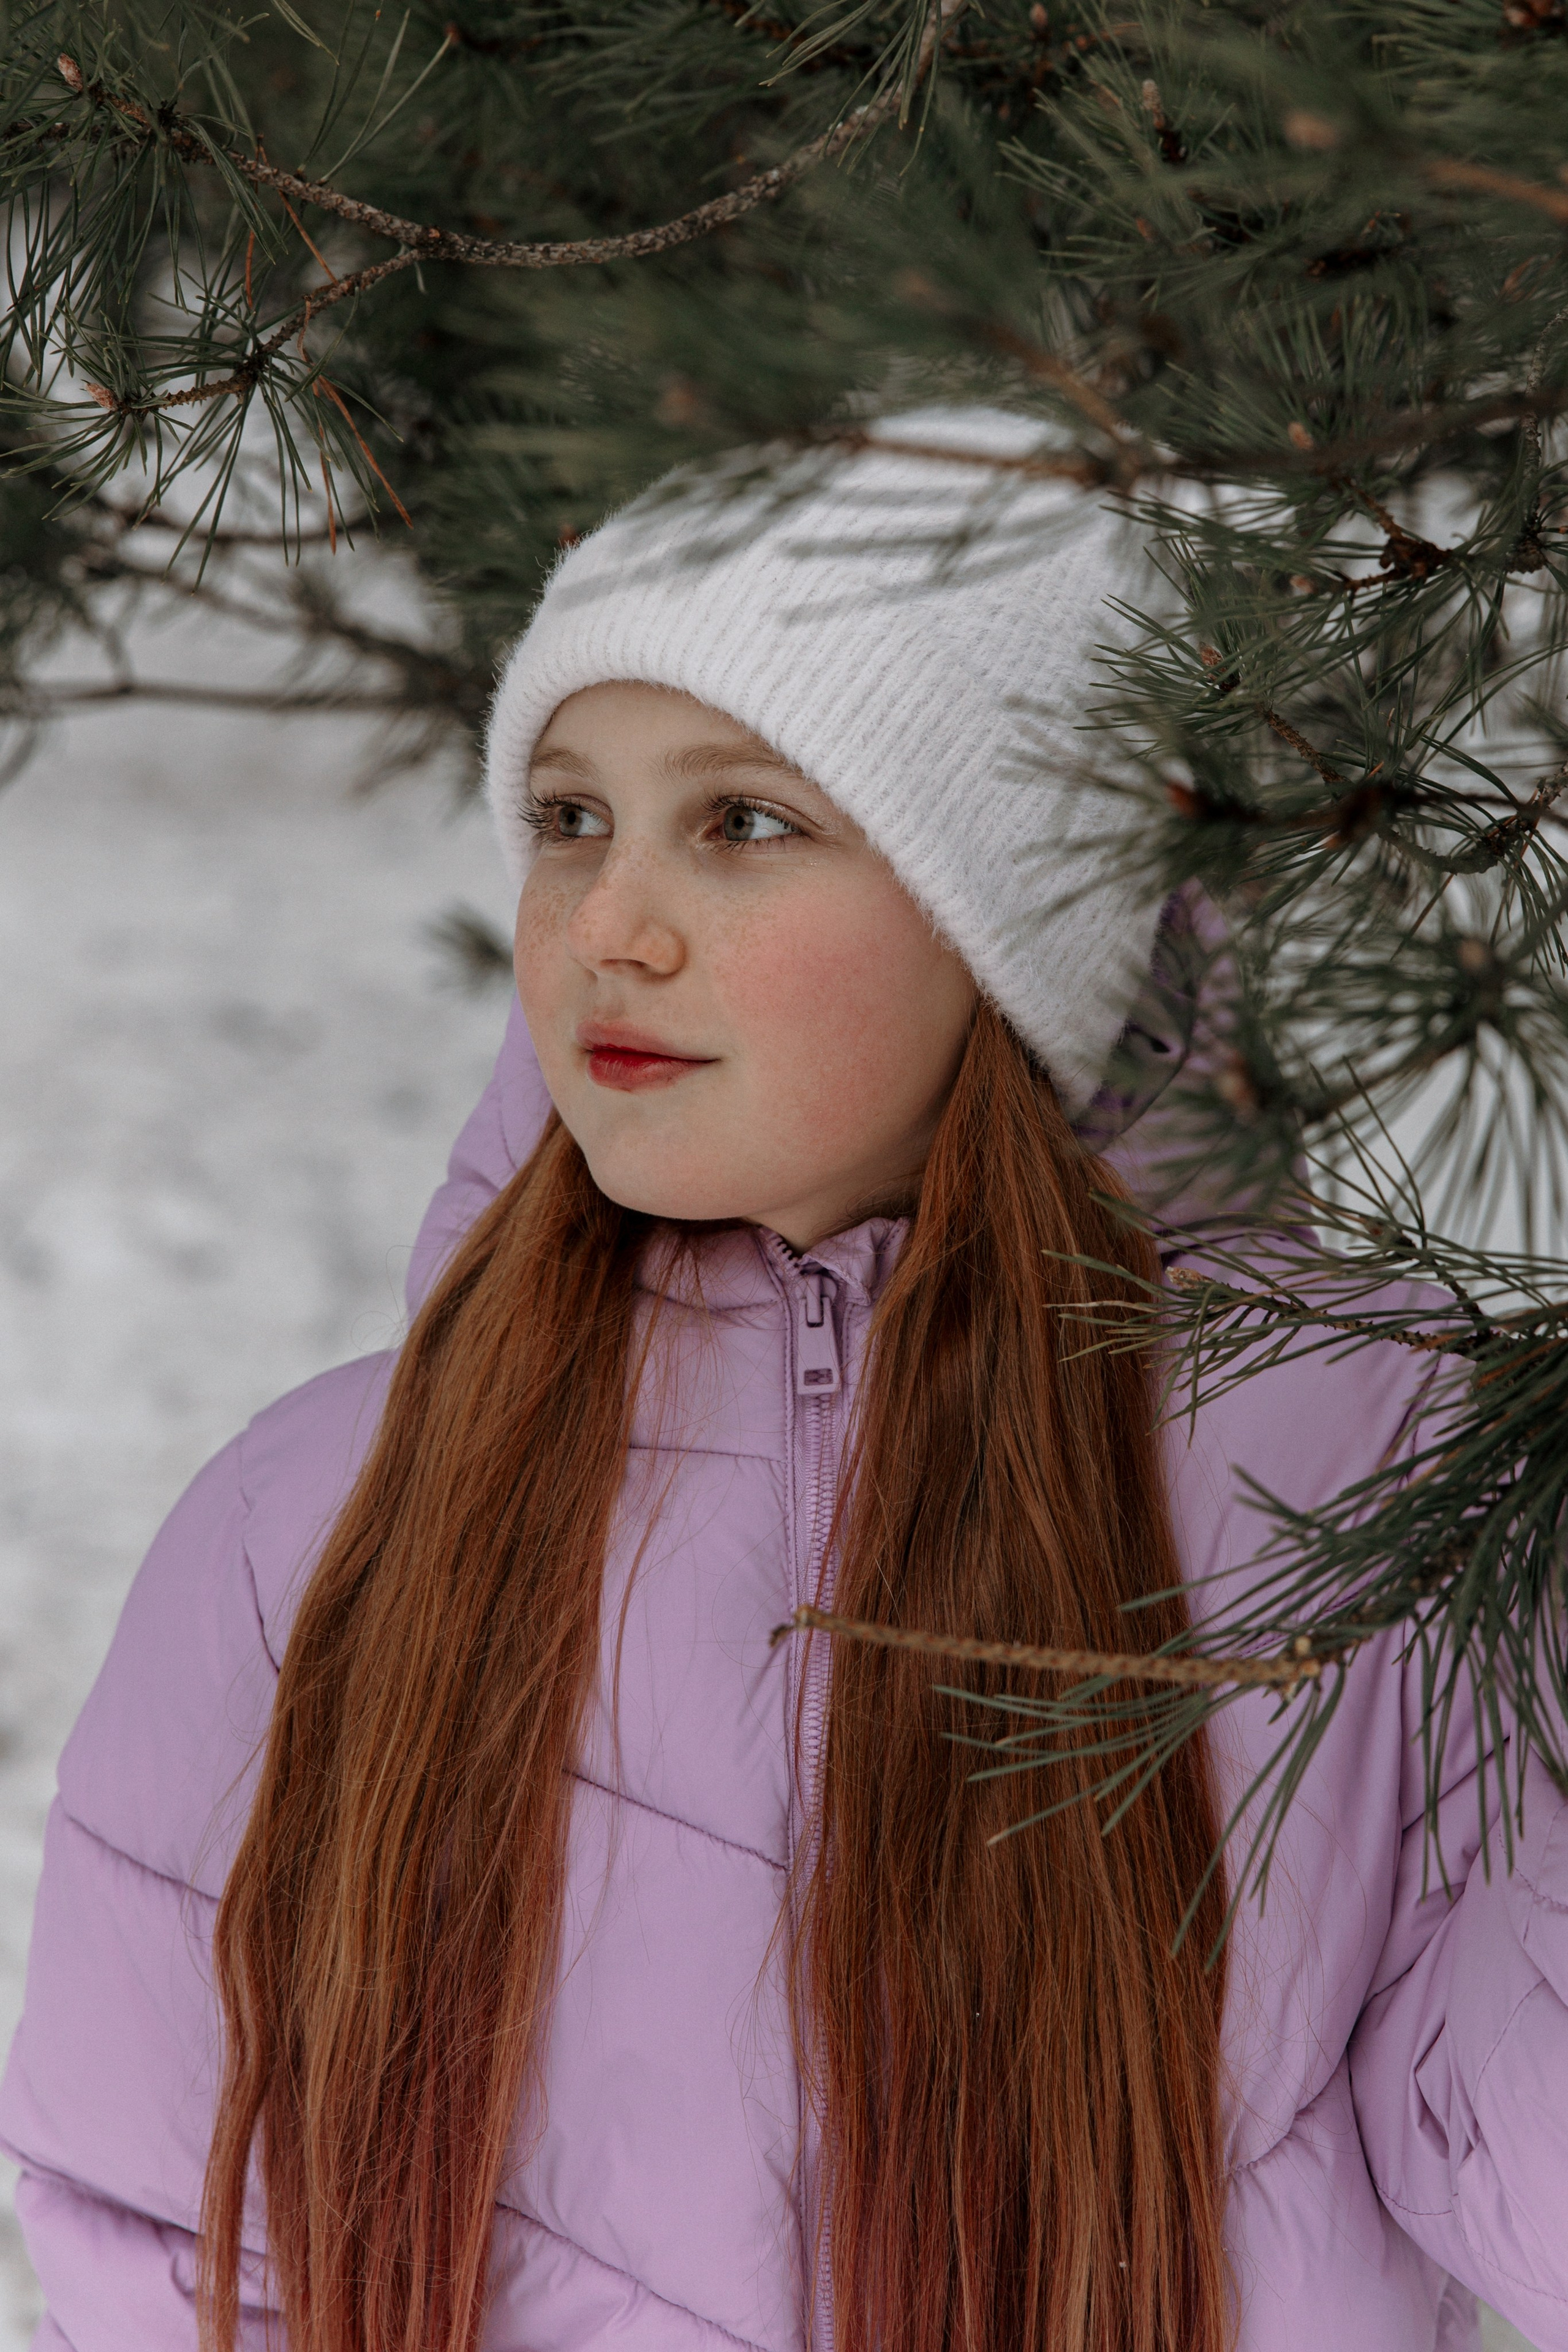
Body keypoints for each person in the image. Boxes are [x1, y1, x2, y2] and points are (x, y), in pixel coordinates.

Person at [2, 413, 1564, 2352]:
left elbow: (1519, 2156)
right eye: (571, 817)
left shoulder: (1375, 1487)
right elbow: (162, 2235)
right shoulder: (313, 1519)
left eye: (744, 821)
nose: (609, 928)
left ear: (1026, 924)